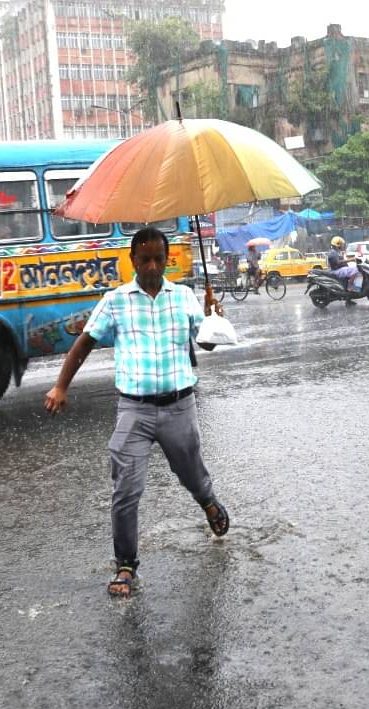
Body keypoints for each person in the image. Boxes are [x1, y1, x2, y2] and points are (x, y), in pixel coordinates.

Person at [44, 227, 230, 598]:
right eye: (144, 259)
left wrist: (212, 318)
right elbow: (86, 341)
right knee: (126, 489)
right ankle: (126, 565)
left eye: (158, 259)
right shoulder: (116, 301)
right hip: (134, 410)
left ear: (167, 260)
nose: (151, 266)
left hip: (179, 405)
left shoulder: (184, 297)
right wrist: (61, 385)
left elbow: (206, 345)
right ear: (132, 261)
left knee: (191, 474)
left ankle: (207, 501)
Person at [327, 236, 361, 300]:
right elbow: (338, 262)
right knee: (356, 270)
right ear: (338, 244)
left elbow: (341, 261)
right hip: (337, 271)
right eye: (341, 244)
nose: (342, 245)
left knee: (352, 270)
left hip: (338, 270)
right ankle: (350, 287)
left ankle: (349, 297)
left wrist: (350, 260)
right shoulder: (333, 253)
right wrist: (351, 259)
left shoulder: (336, 251)